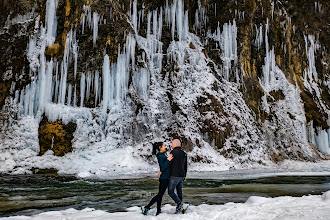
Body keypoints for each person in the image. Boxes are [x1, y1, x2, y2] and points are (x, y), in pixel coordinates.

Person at [141, 142, 173, 216]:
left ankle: (158, 210)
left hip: (165, 177)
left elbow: (164, 167)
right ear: (160, 148)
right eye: (164, 146)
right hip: (164, 178)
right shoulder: (161, 156)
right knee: (159, 195)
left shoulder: (162, 155)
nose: (165, 147)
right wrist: (168, 159)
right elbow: (162, 167)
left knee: (160, 195)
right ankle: (147, 207)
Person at [167, 139, 187, 213]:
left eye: (172, 144)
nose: (171, 145)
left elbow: (168, 163)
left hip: (174, 175)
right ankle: (180, 207)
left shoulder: (172, 153)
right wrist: (185, 175)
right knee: (179, 192)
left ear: (175, 144)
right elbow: (185, 165)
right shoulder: (184, 153)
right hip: (181, 175)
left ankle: (179, 203)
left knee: (170, 191)